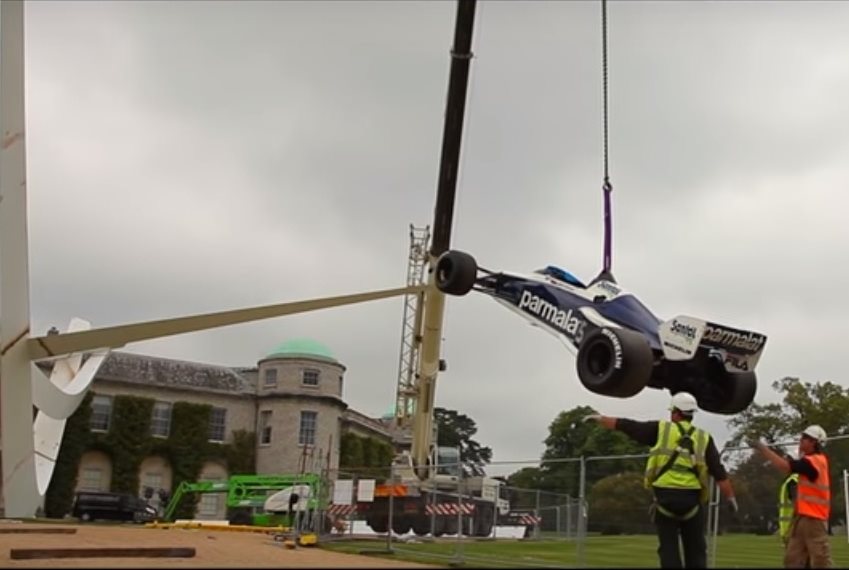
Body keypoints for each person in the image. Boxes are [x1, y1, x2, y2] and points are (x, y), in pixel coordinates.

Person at [585, 391, 738, 568]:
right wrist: (731, 498)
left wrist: (600, 419)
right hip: (692, 501)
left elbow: (629, 426)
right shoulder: (704, 438)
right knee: (696, 550)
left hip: (665, 499)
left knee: (668, 550)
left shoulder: (661, 430)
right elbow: (719, 472)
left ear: (674, 412)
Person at [751, 425, 833, 568]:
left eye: (805, 438)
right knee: (792, 560)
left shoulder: (815, 461)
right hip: (802, 518)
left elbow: (785, 466)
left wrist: (763, 449)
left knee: (820, 561)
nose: (801, 441)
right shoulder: (811, 462)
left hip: (814, 520)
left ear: (814, 442)